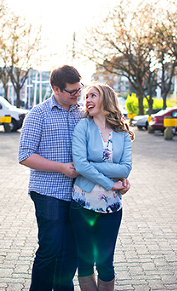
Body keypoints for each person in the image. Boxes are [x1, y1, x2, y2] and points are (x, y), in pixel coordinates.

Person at [70, 83, 133, 291]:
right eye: (86, 96)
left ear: (106, 99)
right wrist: (110, 182)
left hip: (111, 208)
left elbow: (125, 169)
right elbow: (79, 164)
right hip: (82, 206)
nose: (87, 100)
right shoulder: (82, 127)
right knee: (85, 264)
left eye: (93, 95)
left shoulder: (122, 131)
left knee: (106, 264)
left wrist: (89, 166)